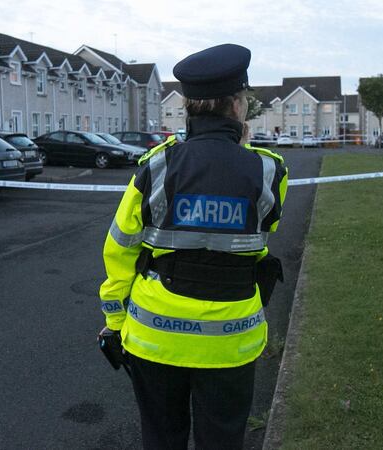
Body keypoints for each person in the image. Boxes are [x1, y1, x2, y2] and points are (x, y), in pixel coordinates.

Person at [98, 43, 288, 450]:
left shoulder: (156, 166)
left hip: (154, 338)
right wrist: (242, 151)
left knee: (162, 438)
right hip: (231, 342)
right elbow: (259, 235)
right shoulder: (270, 171)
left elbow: (119, 250)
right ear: (238, 107)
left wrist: (114, 324)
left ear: (188, 107)